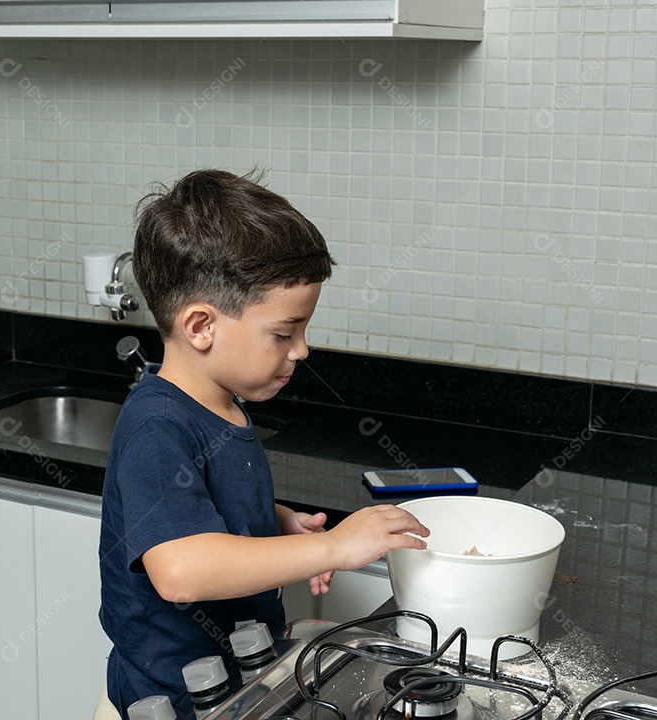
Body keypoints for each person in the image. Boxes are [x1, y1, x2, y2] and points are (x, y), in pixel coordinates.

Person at [97, 169, 430, 719]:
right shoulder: (156, 427)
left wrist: (278, 524)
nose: (301, 351)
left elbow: (204, 503)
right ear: (201, 326)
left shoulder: (221, 403)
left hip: (238, 681)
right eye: (283, 333)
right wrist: (332, 548)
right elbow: (181, 570)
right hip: (175, 700)